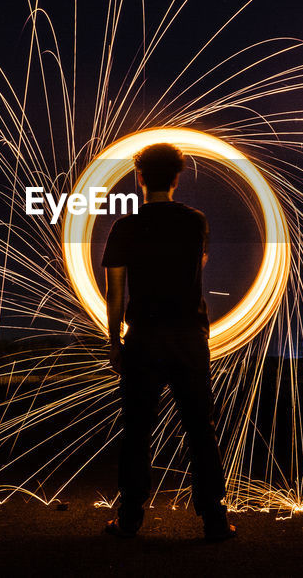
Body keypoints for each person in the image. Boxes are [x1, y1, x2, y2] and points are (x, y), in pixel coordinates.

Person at [100, 142, 235, 542]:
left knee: (137, 429)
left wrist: (114, 342)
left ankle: (129, 519)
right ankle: (214, 519)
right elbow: (200, 266)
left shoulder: (125, 226)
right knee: (200, 429)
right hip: (189, 337)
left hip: (144, 337)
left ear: (139, 178)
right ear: (177, 178)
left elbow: (115, 293)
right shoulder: (196, 222)